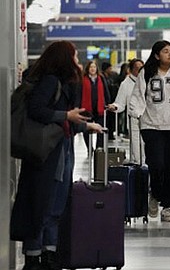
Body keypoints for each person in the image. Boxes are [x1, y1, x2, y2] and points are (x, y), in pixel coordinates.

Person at [10, 41, 103, 270]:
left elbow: (66, 119)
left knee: (56, 205)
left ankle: (49, 254)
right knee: (42, 203)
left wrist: (85, 125)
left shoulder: (64, 83)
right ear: (63, 59)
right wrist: (66, 115)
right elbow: (37, 110)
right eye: (74, 57)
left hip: (62, 148)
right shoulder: (50, 81)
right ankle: (34, 256)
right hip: (48, 152)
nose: (78, 62)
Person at [129, 40, 170, 223]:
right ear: (157, 55)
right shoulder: (147, 72)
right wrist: (136, 113)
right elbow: (138, 95)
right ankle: (155, 194)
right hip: (152, 125)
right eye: (166, 51)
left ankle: (168, 206)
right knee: (157, 164)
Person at [107, 58, 144, 163]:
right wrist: (114, 106)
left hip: (150, 120)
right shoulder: (126, 84)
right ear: (131, 70)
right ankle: (139, 171)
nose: (140, 71)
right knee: (136, 151)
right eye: (137, 68)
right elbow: (120, 103)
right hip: (134, 121)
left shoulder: (148, 81)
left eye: (142, 68)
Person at [81, 60, 111, 153]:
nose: (93, 69)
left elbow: (106, 92)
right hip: (87, 109)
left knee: (100, 128)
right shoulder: (83, 79)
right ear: (88, 69)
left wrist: (108, 103)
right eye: (91, 67)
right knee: (86, 129)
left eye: (94, 67)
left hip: (99, 108)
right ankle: (89, 148)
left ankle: (99, 148)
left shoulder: (101, 78)